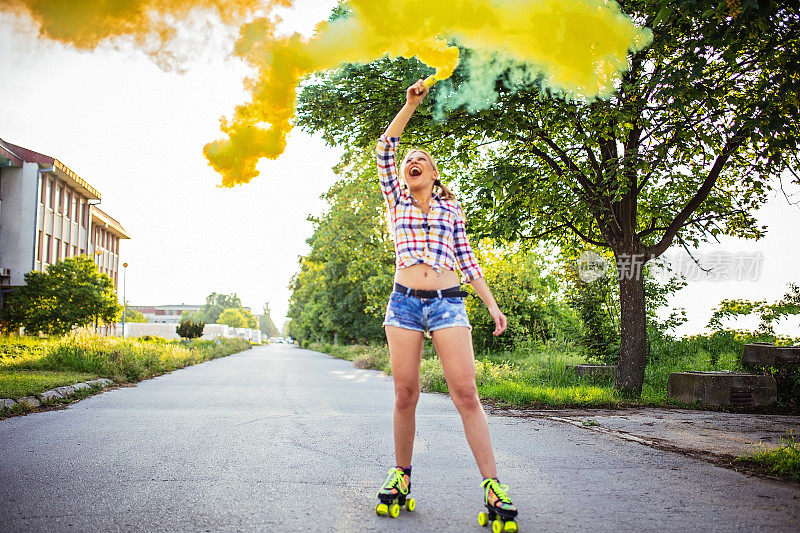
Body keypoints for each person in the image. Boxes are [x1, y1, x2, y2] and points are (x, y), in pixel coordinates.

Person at [374, 79, 518, 530]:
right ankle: (402, 476)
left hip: (448, 302)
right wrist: (409, 105)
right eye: (409, 161)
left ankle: (492, 483)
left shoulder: (451, 211)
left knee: (466, 393)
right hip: (403, 304)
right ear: (404, 175)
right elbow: (386, 146)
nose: (413, 162)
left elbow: (468, 260)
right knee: (405, 393)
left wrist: (492, 305)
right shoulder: (395, 200)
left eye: (423, 160)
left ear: (435, 175)